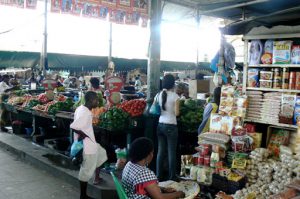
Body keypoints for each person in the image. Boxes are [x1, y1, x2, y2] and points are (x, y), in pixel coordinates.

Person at [70, 91, 107, 199]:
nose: (98, 101)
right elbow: (74, 127)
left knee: (102, 154)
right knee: (85, 172)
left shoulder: (81, 108)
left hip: (91, 144)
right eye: (96, 99)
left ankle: (96, 176)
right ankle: (83, 195)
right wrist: (84, 136)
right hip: (87, 146)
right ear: (91, 100)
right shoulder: (85, 112)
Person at [156, 74, 180, 181]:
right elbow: (177, 113)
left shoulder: (158, 95)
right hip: (171, 126)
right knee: (171, 152)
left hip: (160, 125)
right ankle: (172, 176)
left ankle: (158, 175)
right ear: (173, 84)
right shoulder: (175, 96)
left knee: (160, 151)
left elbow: (154, 108)